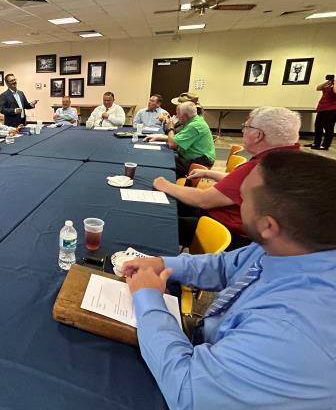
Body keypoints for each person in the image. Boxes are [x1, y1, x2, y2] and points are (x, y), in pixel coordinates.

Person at [122, 151, 336, 410]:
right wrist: (162, 264)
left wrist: (148, 297)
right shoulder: (290, 246)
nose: (237, 203)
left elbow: (189, 393)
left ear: (269, 226)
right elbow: (225, 266)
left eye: (243, 199)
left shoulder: (291, 330)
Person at [153, 107, 301, 250]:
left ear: (258, 135)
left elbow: (203, 200)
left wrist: (165, 185)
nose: (243, 131)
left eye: (246, 127)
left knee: (159, 219)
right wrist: (208, 173)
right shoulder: (289, 159)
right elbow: (239, 181)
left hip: (227, 231)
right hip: (245, 233)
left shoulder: (261, 167)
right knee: (174, 204)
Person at [147, 101, 215, 178]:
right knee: (163, 156)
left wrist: (170, 128)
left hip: (199, 161)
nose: (176, 116)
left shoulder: (194, 126)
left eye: (178, 114)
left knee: (162, 161)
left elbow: (172, 144)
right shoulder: (195, 120)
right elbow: (177, 138)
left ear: (185, 116)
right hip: (193, 157)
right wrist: (158, 137)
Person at [308, 77, 336, 150]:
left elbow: (335, 91)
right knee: (318, 126)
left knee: (328, 128)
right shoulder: (329, 84)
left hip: (331, 109)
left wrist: (335, 81)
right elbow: (318, 88)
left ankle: (325, 145)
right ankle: (316, 143)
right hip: (322, 108)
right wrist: (328, 81)